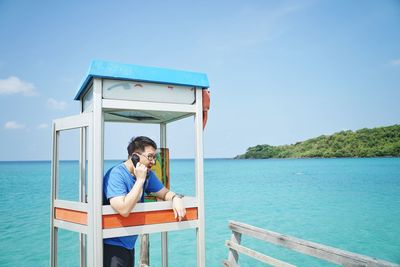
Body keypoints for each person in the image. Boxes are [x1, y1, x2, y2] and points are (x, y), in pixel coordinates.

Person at [103, 136, 186, 267]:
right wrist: (140, 180)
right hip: (112, 245)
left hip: (129, 243)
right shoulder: (116, 174)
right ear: (135, 156)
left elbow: (164, 193)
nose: (153, 162)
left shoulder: (147, 174)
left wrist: (176, 198)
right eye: (150, 157)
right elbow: (123, 209)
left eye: (155, 157)